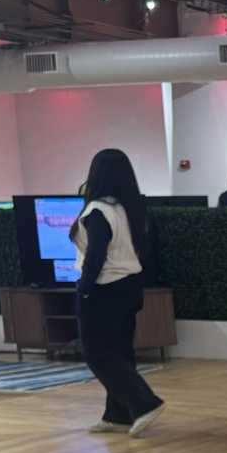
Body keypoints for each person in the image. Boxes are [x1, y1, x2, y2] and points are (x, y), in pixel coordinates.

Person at [71, 148, 166, 437]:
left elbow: (95, 256)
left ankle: (143, 403)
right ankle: (118, 414)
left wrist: (84, 289)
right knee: (121, 351)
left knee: (97, 353)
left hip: (104, 289)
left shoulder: (97, 211)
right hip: (129, 286)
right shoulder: (130, 209)